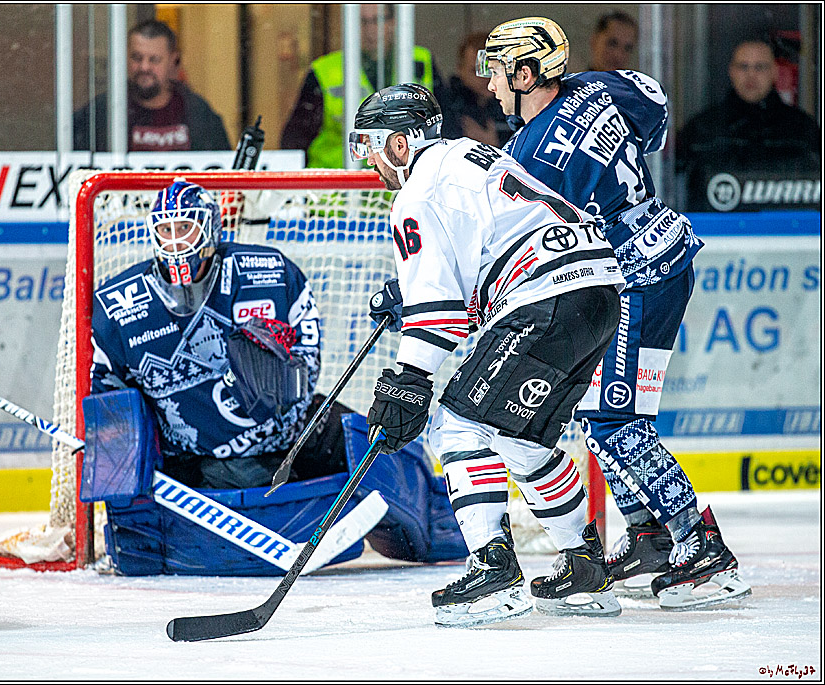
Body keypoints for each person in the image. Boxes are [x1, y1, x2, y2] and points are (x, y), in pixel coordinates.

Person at [481, 17, 752, 610]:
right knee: (593, 413)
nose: (492, 86)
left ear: (527, 74)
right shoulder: (602, 87)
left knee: (613, 422)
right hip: (659, 252)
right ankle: (651, 537)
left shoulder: (532, 155)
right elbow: (654, 112)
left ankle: (702, 547)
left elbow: (523, 240)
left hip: (634, 278)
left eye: (498, 74)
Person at [351, 83, 627, 626]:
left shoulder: (416, 194)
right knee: (520, 439)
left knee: (455, 426)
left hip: (546, 299)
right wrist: (411, 298)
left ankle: (493, 572)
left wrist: (409, 379)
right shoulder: (467, 156)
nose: (370, 161)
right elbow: (480, 273)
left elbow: (442, 314)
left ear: (401, 144)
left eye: (372, 145)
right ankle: (585, 570)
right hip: (598, 294)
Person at [89, 180, 347, 490]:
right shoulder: (119, 303)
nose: (175, 242)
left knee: (357, 438)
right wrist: (115, 443)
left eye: (185, 227)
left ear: (209, 227)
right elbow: (105, 389)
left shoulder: (270, 271)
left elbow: (307, 353)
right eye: (165, 231)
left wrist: (285, 384)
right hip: (190, 460)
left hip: (282, 444)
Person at [280, 3, 451, 168]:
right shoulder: (325, 70)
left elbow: (448, 128)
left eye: (378, 20)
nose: (370, 31)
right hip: (336, 190)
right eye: (362, 22)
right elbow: (294, 141)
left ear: (393, 22)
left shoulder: (420, 61)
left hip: (402, 188)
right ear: (349, 24)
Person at [676, 39, 820, 211]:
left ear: (774, 72)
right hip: (717, 233)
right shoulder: (701, 129)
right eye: (743, 67)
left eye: (760, 67)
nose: (751, 75)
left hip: (790, 232)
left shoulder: (802, 129)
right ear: (731, 71)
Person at [73, 20, 230, 153]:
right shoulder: (101, 113)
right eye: (137, 58)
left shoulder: (198, 113)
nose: (144, 67)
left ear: (172, 60)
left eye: (154, 59)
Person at [445, 31, 512, 146]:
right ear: (460, 69)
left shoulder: (515, 104)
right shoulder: (447, 105)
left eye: (492, 71)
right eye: (476, 71)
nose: (486, 78)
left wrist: (493, 145)